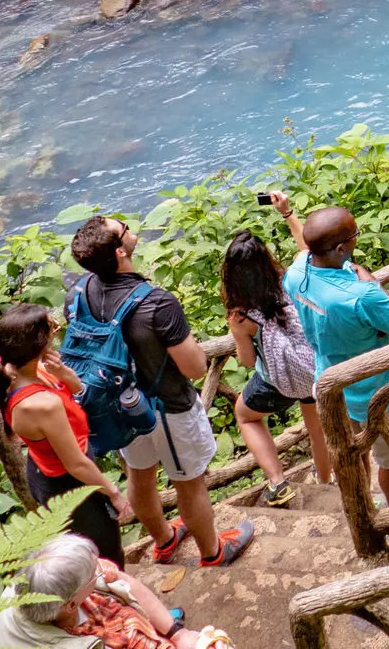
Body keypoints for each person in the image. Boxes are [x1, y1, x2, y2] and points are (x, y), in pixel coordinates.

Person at [68, 219, 254, 568]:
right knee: (189, 483)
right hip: (167, 407)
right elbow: (196, 367)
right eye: (123, 226)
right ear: (120, 251)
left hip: (119, 404)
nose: (128, 225)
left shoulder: (79, 293)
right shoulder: (156, 303)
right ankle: (212, 553)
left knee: (140, 473)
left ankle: (164, 540)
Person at [274, 200, 389, 546]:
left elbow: (304, 252)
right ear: (339, 249)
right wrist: (372, 282)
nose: (355, 241)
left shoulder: (295, 275)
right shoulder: (361, 296)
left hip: (333, 383)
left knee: (355, 451)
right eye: (353, 237)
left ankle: (366, 504)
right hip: (377, 390)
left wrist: (291, 216)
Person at [0, 304, 134, 565]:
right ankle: (116, 602)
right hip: (69, 482)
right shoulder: (41, 404)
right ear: (38, 343)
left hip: (44, 466)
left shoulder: (6, 369)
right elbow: (76, 464)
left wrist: (62, 373)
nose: (57, 332)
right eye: (52, 329)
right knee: (103, 555)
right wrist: (113, 493)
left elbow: (77, 388)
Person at [222, 223, 333, 507]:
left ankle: (277, 481)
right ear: (267, 261)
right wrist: (287, 214)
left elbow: (247, 361)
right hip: (314, 369)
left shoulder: (241, 317)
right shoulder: (289, 281)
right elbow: (307, 251)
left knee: (245, 415)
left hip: (278, 383)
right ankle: (324, 477)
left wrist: (239, 339)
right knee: (316, 428)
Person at [0, 533, 210, 649]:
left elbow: (120, 581)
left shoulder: (32, 584)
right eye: (92, 574)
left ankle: (158, 627)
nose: (101, 567)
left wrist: (176, 633)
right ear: (71, 605)